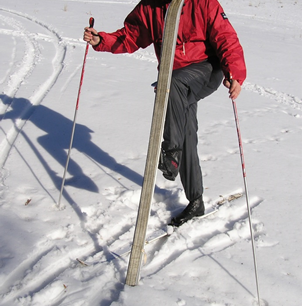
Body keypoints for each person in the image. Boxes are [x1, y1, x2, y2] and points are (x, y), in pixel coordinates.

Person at [83, 0, 246, 226]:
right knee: (185, 131)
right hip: (175, 79)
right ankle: (196, 200)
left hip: (207, 69)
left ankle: (170, 152)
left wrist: (234, 72)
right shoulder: (151, 6)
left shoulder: (203, 3)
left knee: (171, 84)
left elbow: (225, 38)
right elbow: (131, 35)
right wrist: (101, 40)